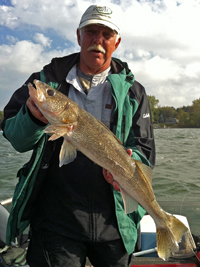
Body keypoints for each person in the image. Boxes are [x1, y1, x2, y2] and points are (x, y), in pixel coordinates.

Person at [1, 5, 155, 267]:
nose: (98, 40)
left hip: (114, 220)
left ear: (116, 42)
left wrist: (131, 161)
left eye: (106, 34)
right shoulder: (46, 79)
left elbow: (144, 149)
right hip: (56, 217)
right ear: (78, 36)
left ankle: (162, 220)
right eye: (91, 31)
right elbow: (15, 138)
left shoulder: (134, 92)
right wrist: (34, 117)